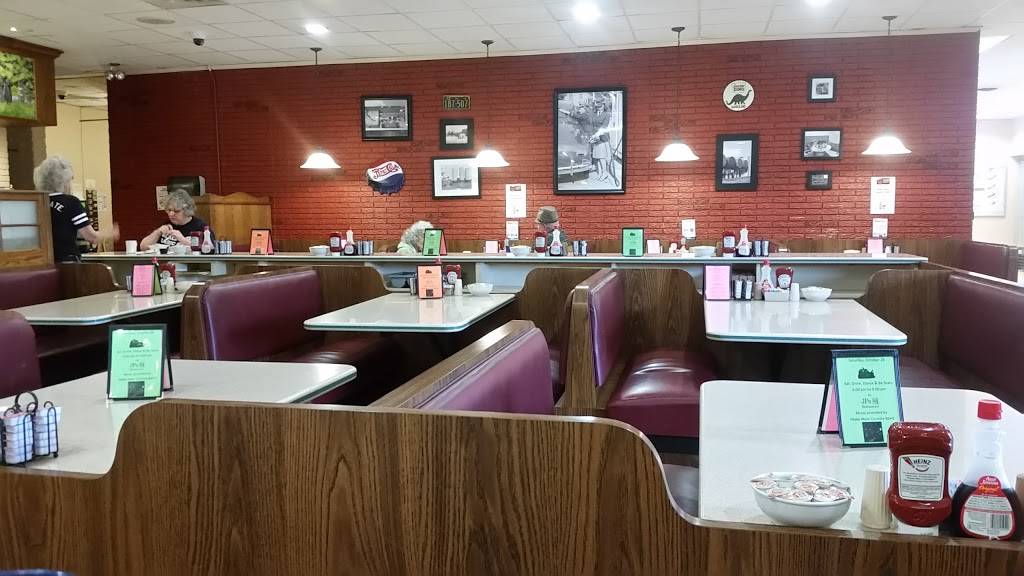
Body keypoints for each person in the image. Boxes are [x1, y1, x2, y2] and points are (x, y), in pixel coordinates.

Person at [35, 155, 119, 262]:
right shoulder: (71, 202)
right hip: (67, 260)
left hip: (42, 261)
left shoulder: (36, 203)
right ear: (64, 181)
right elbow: (91, 237)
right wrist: (110, 233)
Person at [140, 189, 212, 250]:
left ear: (187, 210)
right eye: (169, 210)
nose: (171, 214)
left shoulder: (200, 227)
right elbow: (143, 247)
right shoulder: (166, 225)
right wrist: (158, 232)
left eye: (176, 211)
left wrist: (183, 240)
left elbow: (209, 250)